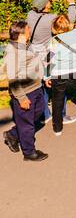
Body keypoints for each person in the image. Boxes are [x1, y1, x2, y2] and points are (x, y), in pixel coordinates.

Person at [3, 21, 48, 162]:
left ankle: (12, 134)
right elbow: (13, 78)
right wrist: (22, 98)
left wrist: (44, 77)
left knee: (38, 114)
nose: (30, 32)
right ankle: (29, 153)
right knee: (27, 124)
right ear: (21, 34)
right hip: (25, 92)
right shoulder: (12, 53)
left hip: (36, 88)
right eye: (28, 29)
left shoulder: (24, 46)